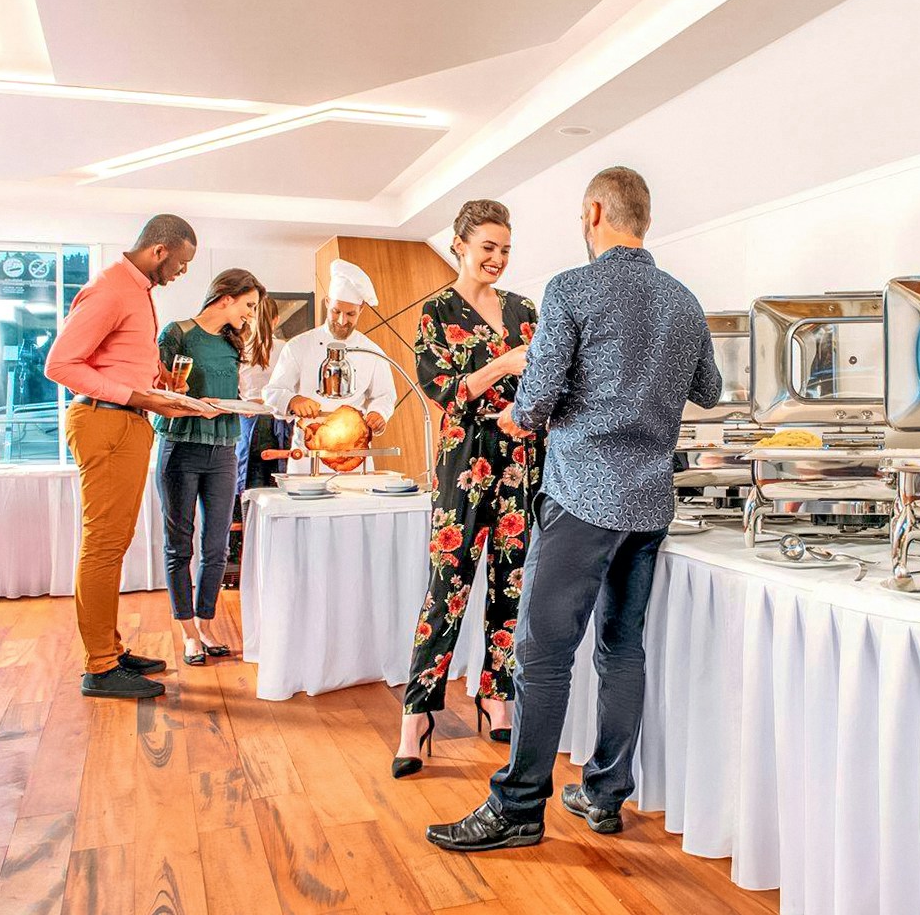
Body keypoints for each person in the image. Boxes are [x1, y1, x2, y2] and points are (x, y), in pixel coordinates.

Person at [426, 167, 722, 851]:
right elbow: (706, 389)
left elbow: (535, 401)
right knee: (622, 647)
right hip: (649, 503)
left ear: (594, 211)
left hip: (585, 496)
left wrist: (513, 417)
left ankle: (518, 808)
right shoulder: (683, 301)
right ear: (642, 218)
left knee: (542, 653)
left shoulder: (572, 288)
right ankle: (603, 793)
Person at [393, 200, 542, 779]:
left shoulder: (527, 309)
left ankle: (494, 694)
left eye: (505, 249)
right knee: (446, 590)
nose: (498, 259)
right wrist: (506, 365)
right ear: (459, 244)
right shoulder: (436, 311)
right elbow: (446, 393)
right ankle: (416, 714)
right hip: (464, 464)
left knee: (513, 587)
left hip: (525, 463)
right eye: (488, 247)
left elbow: (549, 383)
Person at [45, 214, 218, 699]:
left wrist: (158, 378)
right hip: (105, 420)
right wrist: (137, 397)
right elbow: (60, 365)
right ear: (159, 251)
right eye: (181, 263)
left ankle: (110, 650)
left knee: (113, 543)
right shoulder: (111, 289)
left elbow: (118, 357)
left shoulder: (135, 290)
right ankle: (99, 666)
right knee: (103, 545)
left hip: (122, 421)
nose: (182, 272)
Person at [155, 269, 265, 665]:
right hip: (180, 447)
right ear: (225, 298)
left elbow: (234, 394)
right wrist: (185, 401)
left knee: (216, 549)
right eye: (248, 305)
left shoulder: (232, 343)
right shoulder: (177, 333)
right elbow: (159, 390)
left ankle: (204, 624)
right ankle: (188, 635)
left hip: (222, 451)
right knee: (179, 545)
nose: (250, 315)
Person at [261, 260, 395, 471]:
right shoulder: (299, 346)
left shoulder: (372, 351)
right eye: (336, 311)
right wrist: (293, 399)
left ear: (361, 309)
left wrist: (379, 413)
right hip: (308, 452)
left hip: (354, 453)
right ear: (326, 303)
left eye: (350, 314)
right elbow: (272, 392)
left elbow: (385, 395)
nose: (342, 321)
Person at [236, 293, 289, 494]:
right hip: (279, 421)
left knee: (247, 480)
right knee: (278, 481)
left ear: (250, 318)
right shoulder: (286, 349)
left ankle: (243, 520)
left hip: (249, 420)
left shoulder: (241, 350)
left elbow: (236, 391)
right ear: (277, 320)